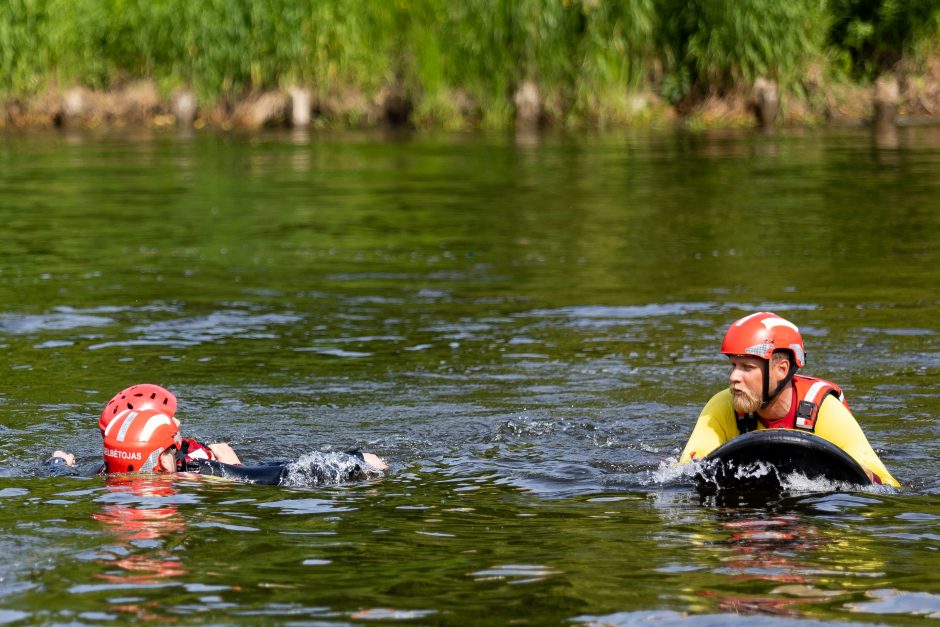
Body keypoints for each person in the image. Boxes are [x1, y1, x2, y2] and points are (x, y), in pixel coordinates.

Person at [679, 312, 899, 487]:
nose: (734, 377)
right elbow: (685, 472)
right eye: (734, 365)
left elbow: (886, 484)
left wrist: (865, 475)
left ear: (781, 369)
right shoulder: (722, 404)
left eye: (747, 367)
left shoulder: (824, 409)